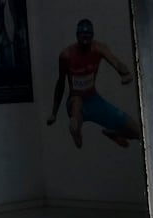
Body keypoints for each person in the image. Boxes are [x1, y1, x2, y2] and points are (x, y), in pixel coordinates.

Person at [46, 18, 141, 148]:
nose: (85, 41)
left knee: (137, 131)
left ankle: (114, 133)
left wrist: (124, 73)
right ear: (77, 36)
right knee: (76, 106)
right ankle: (76, 129)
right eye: (82, 36)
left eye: (88, 37)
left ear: (92, 36)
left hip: (94, 100)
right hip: (76, 100)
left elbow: (114, 61)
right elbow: (60, 84)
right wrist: (54, 113)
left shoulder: (98, 48)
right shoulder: (66, 56)